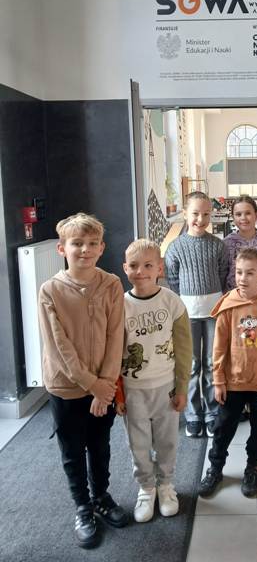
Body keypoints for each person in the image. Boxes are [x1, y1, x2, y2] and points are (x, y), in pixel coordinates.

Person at [38, 213, 128, 549]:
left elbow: (116, 335)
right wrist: (92, 384)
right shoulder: (50, 291)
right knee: (72, 450)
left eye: (92, 244)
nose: (85, 250)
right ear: (62, 248)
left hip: (103, 385)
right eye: (77, 244)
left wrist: (106, 384)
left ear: (101, 248)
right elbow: (58, 346)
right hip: (67, 386)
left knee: (100, 445)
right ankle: (82, 506)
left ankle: (101, 496)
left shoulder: (111, 284)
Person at [198, 248, 257, 498]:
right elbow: (218, 347)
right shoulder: (228, 305)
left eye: (249, 273)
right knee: (222, 429)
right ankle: (215, 468)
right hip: (233, 383)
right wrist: (218, 380)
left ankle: (252, 468)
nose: (243, 278)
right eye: (239, 272)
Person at [115, 239, 193, 522]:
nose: (141, 271)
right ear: (125, 268)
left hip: (166, 388)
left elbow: (184, 350)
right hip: (133, 389)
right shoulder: (120, 305)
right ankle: (146, 488)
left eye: (148, 265)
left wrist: (182, 387)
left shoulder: (172, 302)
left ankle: (166, 484)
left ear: (160, 268)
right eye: (134, 266)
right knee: (138, 444)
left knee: (166, 441)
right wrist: (118, 394)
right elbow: (113, 353)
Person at [165, 191, 228, 438]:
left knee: (212, 363)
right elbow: (172, 280)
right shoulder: (176, 247)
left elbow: (223, 274)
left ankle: (212, 413)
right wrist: (184, 304)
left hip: (214, 313)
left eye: (206, 214)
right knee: (191, 365)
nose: (200, 219)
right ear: (184, 214)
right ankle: (193, 414)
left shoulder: (218, 245)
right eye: (195, 214)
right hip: (187, 315)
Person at [223, 195, 257, 291]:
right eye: (238, 214)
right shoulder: (225, 244)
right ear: (233, 217)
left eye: (248, 213)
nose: (243, 218)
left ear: (256, 215)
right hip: (234, 296)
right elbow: (222, 275)